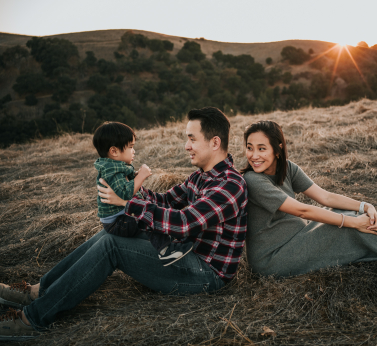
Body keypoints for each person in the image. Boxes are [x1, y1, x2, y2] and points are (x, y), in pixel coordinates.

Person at [0, 107, 247, 341]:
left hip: (206, 273)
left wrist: (127, 204)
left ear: (214, 142)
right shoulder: (200, 176)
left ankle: (32, 320)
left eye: (192, 139)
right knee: (109, 234)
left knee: (112, 245)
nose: (186, 146)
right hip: (185, 255)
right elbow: (166, 200)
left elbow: (184, 223)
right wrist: (127, 190)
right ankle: (38, 291)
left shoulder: (229, 184)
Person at [242, 120, 377, 277]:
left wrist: (365, 206)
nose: (254, 155)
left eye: (262, 148)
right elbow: (302, 211)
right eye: (250, 148)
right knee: (343, 225)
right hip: (273, 256)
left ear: (278, 149)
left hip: (297, 236)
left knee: (348, 214)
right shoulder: (253, 180)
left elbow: (325, 197)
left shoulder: (287, 168)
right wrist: (353, 221)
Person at [92, 121, 178, 260]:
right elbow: (125, 193)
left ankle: (170, 241)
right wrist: (142, 176)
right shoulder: (112, 170)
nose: (134, 151)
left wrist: (135, 177)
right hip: (117, 222)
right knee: (146, 217)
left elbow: (122, 187)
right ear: (114, 151)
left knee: (147, 211)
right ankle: (166, 250)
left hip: (118, 217)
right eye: (130, 147)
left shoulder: (113, 166)